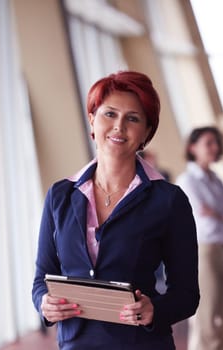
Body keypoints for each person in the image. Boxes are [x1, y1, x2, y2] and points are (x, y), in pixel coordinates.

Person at [31, 70, 199, 349]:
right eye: (110, 114)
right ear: (92, 121)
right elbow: (42, 277)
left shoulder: (169, 200)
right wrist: (44, 303)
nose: (119, 126)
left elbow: (186, 294)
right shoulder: (60, 195)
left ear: (146, 132)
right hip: (77, 344)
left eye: (133, 118)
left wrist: (154, 310)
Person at [176, 126, 223, 350]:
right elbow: (204, 217)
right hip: (203, 252)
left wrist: (217, 212)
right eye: (209, 143)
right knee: (205, 319)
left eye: (216, 143)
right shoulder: (187, 181)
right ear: (192, 148)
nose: (215, 148)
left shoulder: (216, 179)